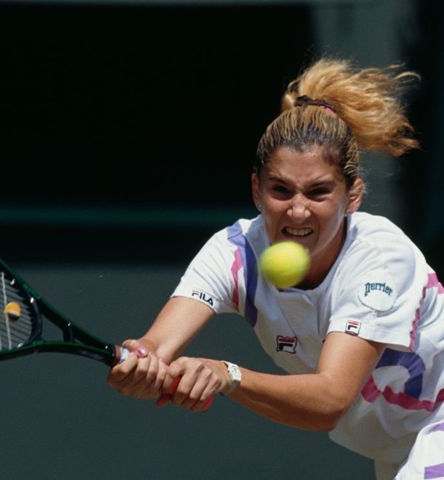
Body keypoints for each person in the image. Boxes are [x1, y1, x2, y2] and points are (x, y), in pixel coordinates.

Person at [107, 57, 444, 480]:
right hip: (398, 449)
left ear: (353, 196)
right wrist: (139, 366)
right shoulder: (232, 254)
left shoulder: (380, 257)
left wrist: (226, 375)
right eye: (280, 189)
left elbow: (330, 399)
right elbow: (155, 347)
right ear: (256, 190)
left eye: (319, 192)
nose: (298, 210)